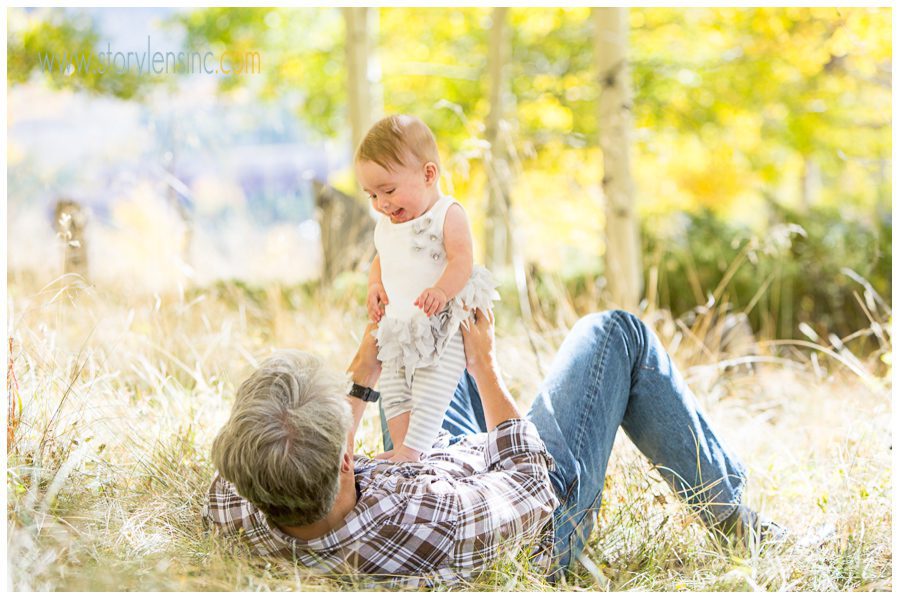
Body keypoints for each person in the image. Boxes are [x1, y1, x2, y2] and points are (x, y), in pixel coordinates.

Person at [204, 308, 786, 587]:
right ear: (347, 458)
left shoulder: (239, 498)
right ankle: (732, 515)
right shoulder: (438, 521)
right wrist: (485, 368)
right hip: (529, 511)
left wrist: (365, 375)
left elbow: (297, 447)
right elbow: (531, 478)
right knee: (613, 333)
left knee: (423, 340)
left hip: (439, 471)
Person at [357, 114, 499, 463]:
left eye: (388, 191)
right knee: (393, 390)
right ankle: (406, 450)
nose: (381, 204)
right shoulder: (387, 225)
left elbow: (462, 259)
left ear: (428, 174)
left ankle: (415, 449)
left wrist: (442, 290)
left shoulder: (446, 213)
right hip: (399, 326)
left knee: (429, 389)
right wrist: (375, 284)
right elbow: (383, 258)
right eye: (372, 195)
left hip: (440, 324)